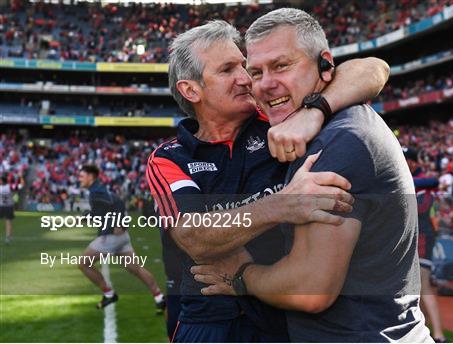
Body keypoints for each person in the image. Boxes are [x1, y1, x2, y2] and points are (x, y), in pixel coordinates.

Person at [193, 9, 431, 342]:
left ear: (325, 65)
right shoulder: (323, 124)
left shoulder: (336, 141)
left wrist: (241, 276)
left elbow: (309, 290)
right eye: (256, 71)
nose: (265, 84)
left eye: (282, 65)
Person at [147, 20, 389, 342]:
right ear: (192, 90)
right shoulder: (169, 159)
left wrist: (315, 110)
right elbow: (194, 237)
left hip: (280, 319)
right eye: (228, 70)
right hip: (207, 322)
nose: (247, 79)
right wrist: (284, 204)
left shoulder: (281, 117)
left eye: (244, 67)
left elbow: (374, 68)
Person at [77, 164, 165, 312]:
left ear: (91, 177)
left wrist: (89, 217)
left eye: (82, 176)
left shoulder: (96, 191)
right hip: (121, 236)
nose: (79, 178)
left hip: (111, 237)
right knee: (136, 269)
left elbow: (107, 209)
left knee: (83, 263)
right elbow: (116, 204)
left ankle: (109, 294)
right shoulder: (100, 189)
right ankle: (159, 297)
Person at [404, 148, 447, 343]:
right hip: (410, 237)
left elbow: (421, 208)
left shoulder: (424, 182)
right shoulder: (413, 180)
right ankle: (426, 330)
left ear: (414, 162)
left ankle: (439, 336)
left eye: (408, 160)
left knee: (423, 284)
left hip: (423, 237)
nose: (405, 163)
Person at [0, 175, 15, 244]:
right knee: (9, 222)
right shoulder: (10, 187)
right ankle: (8, 237)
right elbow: (17, 188)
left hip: (1, 206)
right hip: (9, 206)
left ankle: (9, 237)